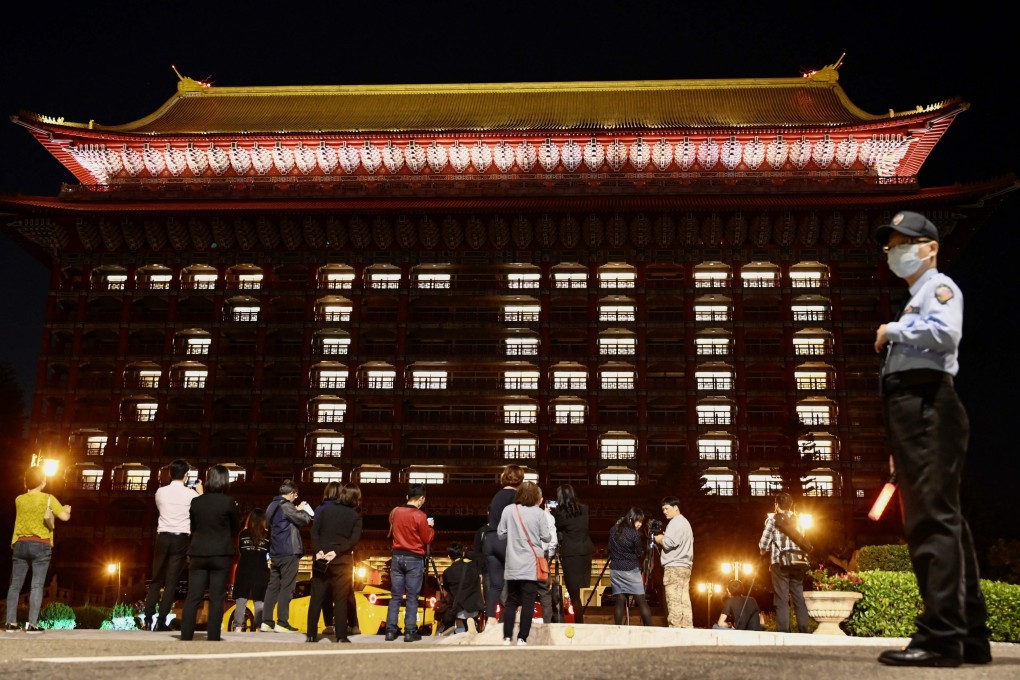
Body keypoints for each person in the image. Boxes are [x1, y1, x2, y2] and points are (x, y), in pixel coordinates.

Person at [873, 211, 991, 668]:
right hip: (918, 405)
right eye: (891, 246)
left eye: (905, 243)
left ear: (931, 247)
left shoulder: (939, 289)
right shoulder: (915, 297)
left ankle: (940, 637)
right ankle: (970, 635)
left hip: (926, 401)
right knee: (949, 521)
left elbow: (946, 333)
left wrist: (893, 331)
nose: (896, 253)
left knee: (929, 520)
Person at [5, 466, 70, 633]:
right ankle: (32, 624)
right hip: (41, 545)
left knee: (15, 586)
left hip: (20, 544)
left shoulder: (19, 499)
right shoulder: (48, 498)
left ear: (26, 481)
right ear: (43, 481)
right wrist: (67, 511)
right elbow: (64, 516)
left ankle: (10, 622)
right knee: (37, 585)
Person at [181, 465, 241, 641]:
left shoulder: (196, 502)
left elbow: (194, 525)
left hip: (198, 552)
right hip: (220, 554)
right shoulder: (228, 502)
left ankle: (186, 635)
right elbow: (236, 528)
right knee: (216, 598)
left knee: (193, 596)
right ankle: (213, 637)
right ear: (225, 481)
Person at [143, 459, 201, 631]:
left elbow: (160, 509)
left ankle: (147, 618)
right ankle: (161, 621)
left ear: (170, 474)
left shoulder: (160, 492)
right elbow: (199, 511)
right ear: (186, 475)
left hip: (162, 537)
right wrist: (199, 492)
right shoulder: (191, 494)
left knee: (156, 579)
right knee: (171, 581)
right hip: (181, 538)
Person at [306, 484, 363, 643]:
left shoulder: (325, 511)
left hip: (321, 559)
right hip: (342, 562)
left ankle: (311, 634)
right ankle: (341, 636)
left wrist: (318, 550)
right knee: (340, 599)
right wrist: (336, 552)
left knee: (316, 598)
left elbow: (314, 531)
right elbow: (353, 540)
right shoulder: (355, 516)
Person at [497, 481, 551, 646]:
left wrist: (514, 536)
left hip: (513, 564)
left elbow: (500, 534)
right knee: (528, 602)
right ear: (537, 497)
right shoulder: (539, 513)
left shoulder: (509, 510)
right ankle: (522, 638)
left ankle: (507, 637)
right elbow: (547, 537)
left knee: (511, 602)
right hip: (530, 565)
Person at [384, 482, 435, 642]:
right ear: (421, 499)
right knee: (412, 596)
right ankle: (409, 632)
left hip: (397, 557)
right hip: (414, 558)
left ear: (407, 497)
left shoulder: (396, 512)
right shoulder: (421, 516)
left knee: (396, 596)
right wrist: (431, 527)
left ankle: (390, 631)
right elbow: (427, 538)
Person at [260, 479, 313, 633]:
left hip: (275, 551)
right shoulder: (286, 506)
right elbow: (304, 520)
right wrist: (302, 509)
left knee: (272, 587)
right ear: (290, 493)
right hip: (288, 551)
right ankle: (282, 622)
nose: (295, 497)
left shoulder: (271, 506)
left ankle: (267, 621)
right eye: (295, 495)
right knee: (287, 587)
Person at [758, 493, 810, 633]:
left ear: (776, 505)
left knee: (781, 598)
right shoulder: (798, 520)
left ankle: (784, 632)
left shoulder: (772, 521)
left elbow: (763, 545)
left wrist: (764, 551)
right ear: (791, 505)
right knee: (799, 597)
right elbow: (802, 539)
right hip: (798, 562)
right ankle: (804, 630)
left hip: (779, 563)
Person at [482, 464, 523, 618]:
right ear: (520, 479)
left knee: (495, 585)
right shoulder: (517, 497)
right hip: (506, 540)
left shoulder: (497, 496)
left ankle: (491, 619)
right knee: (516, 582)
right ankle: (509, 619)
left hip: (491, 540)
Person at [551, 483, 594, 624]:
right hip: (586, 551)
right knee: (579, 591)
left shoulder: (560, 514)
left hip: (571, 554)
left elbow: (555, 529)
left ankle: (579, 623)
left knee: (574, 594)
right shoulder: (585, 509)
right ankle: (580, 621)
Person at [607, 507, 653, 626]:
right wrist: (644, 551)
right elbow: (638, 553)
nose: (640, 524)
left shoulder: (613, 530)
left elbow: (609, 548)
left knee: (620, 600)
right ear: (632, 519)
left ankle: (617, 628)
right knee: (641, 601)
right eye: (638, 521)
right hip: (630, 570)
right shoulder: (634, 534)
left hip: (615, 569)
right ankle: (651, 630)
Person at [654, 495, 693, 628]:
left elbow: (669, 543)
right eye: (663, 509)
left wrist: (659, 538)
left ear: (676, 507)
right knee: (684, 600)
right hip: (685, 566)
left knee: (674, 600)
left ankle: (675, 628)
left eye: (666, 508)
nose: (664, 511)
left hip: (674, 567)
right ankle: (687, 627)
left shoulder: (675, 523)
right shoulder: (685, 522)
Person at [231, 508, 269, 632]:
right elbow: (269, 553)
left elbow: (240, 550)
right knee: (259, 600)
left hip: (244, 569)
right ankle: (259, 627)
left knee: (241, 600)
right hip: (261, 570)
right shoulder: (267, 535)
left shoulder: (243, 534)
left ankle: (237, 627)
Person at [441, 542, 484, 634]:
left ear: (449, 557)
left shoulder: (447, 572)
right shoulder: (474, 566)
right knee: (469, 612)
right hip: (475, 607)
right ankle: (471, 623)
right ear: (463, 553)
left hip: (458, 609)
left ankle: (449, 625)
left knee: (447, 603)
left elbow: (446, 590)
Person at [535, 500, 558, 623]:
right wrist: (548, 557)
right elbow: (553, 541)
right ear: (540, 500)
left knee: (524, 590)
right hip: (542, 555)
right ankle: (547, 624)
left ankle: (523, 622)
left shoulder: (519, 514)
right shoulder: (547, 517)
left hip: (524, 555)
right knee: (544, 591)